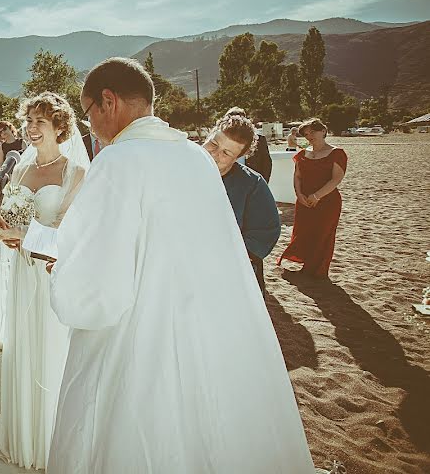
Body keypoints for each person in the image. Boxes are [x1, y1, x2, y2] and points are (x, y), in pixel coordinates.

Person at [23, 57, 313, 473]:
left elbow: (95, 288)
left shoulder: (117, 160)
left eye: (88, 115)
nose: (89, 128)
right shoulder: (194, 157)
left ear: (109, 101)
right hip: (209, 330)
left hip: (138, 339)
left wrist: (65, 267)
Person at [0, 93, 88, 469]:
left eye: (39, 122)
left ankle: (49, 439)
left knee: (50, 348)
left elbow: (68, 236)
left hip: (50, 276)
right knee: (22, 344)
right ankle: (23, 433)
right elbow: (12, 219)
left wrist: (22, 235)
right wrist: (0, 226)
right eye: (27, 120)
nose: (30, 128)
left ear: (60, 128)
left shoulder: (75, 173)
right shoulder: (19, 171)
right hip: (22, 274)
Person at [204, 116, 282, 293]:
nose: (214, 154)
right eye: (213, 144)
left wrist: (226, 260)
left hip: (226, 275)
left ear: (239, 158)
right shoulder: (179, 170)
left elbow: (265, 232)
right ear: (208, 135)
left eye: (226, 153)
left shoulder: (252, 184)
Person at [278, 117, 348, 278]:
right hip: (304, 201)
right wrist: (299, 195)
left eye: (313, 131)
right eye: (306, 133)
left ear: (323, 130)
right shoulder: (303, 153)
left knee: (323, 234)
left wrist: (317, 196)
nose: (309, 136)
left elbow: (336, 179)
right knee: (304, 232)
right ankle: (305, 266)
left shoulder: (337, 153)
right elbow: (297, 177)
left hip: (327, 201)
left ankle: (317, 271)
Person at [224, 107, 272, 182]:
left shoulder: (259, 139)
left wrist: (261, 185)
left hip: (251, 183)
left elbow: (266, 164)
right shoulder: (221, 140)